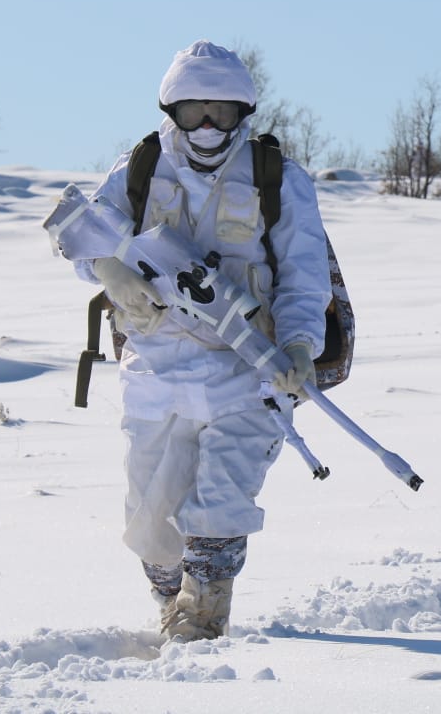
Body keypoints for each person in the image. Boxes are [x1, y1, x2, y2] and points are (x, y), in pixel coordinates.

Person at [71, 40, 333, 642]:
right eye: (195, 112)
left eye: (221, 111)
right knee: (151, 523)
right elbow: (80, 233)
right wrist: (106, 269)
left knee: (220, 503)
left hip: (248, 370)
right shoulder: (139, 168)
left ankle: (203, 623)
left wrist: (299, 346)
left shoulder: (278, 179)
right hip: (156, 370)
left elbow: (303, 275)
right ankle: (171, 605)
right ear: (172, 111)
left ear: (243, 113)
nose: (208, 126)